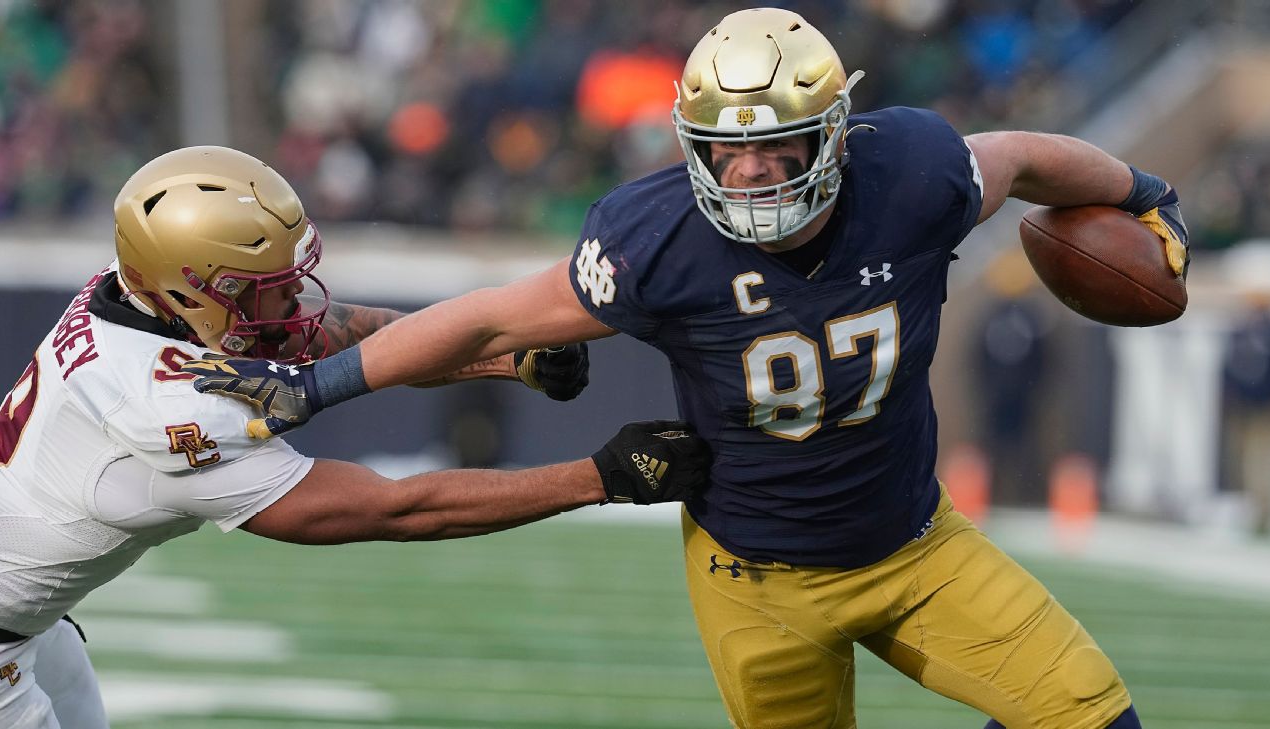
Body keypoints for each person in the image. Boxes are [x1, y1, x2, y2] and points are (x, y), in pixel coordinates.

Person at [186, 8, 1189, 729]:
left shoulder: (913, 174)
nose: (749, 176)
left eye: (779, 151)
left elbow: (1019, 155)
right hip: (757, 577)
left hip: (918, 549)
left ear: (836, 134)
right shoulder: (654, 237)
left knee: (1097, 721)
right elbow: (486, 317)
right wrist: (319, 387)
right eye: (727, 153)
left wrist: (1143, 189)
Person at [0, 145, 711, 729]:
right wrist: (600, 476)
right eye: (265, 283)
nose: (295, 297)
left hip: (21, 616)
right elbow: (396, 509)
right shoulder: (169, 412)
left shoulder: (139, 289)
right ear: (195, 289)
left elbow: (343, 337)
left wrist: (505, 359)